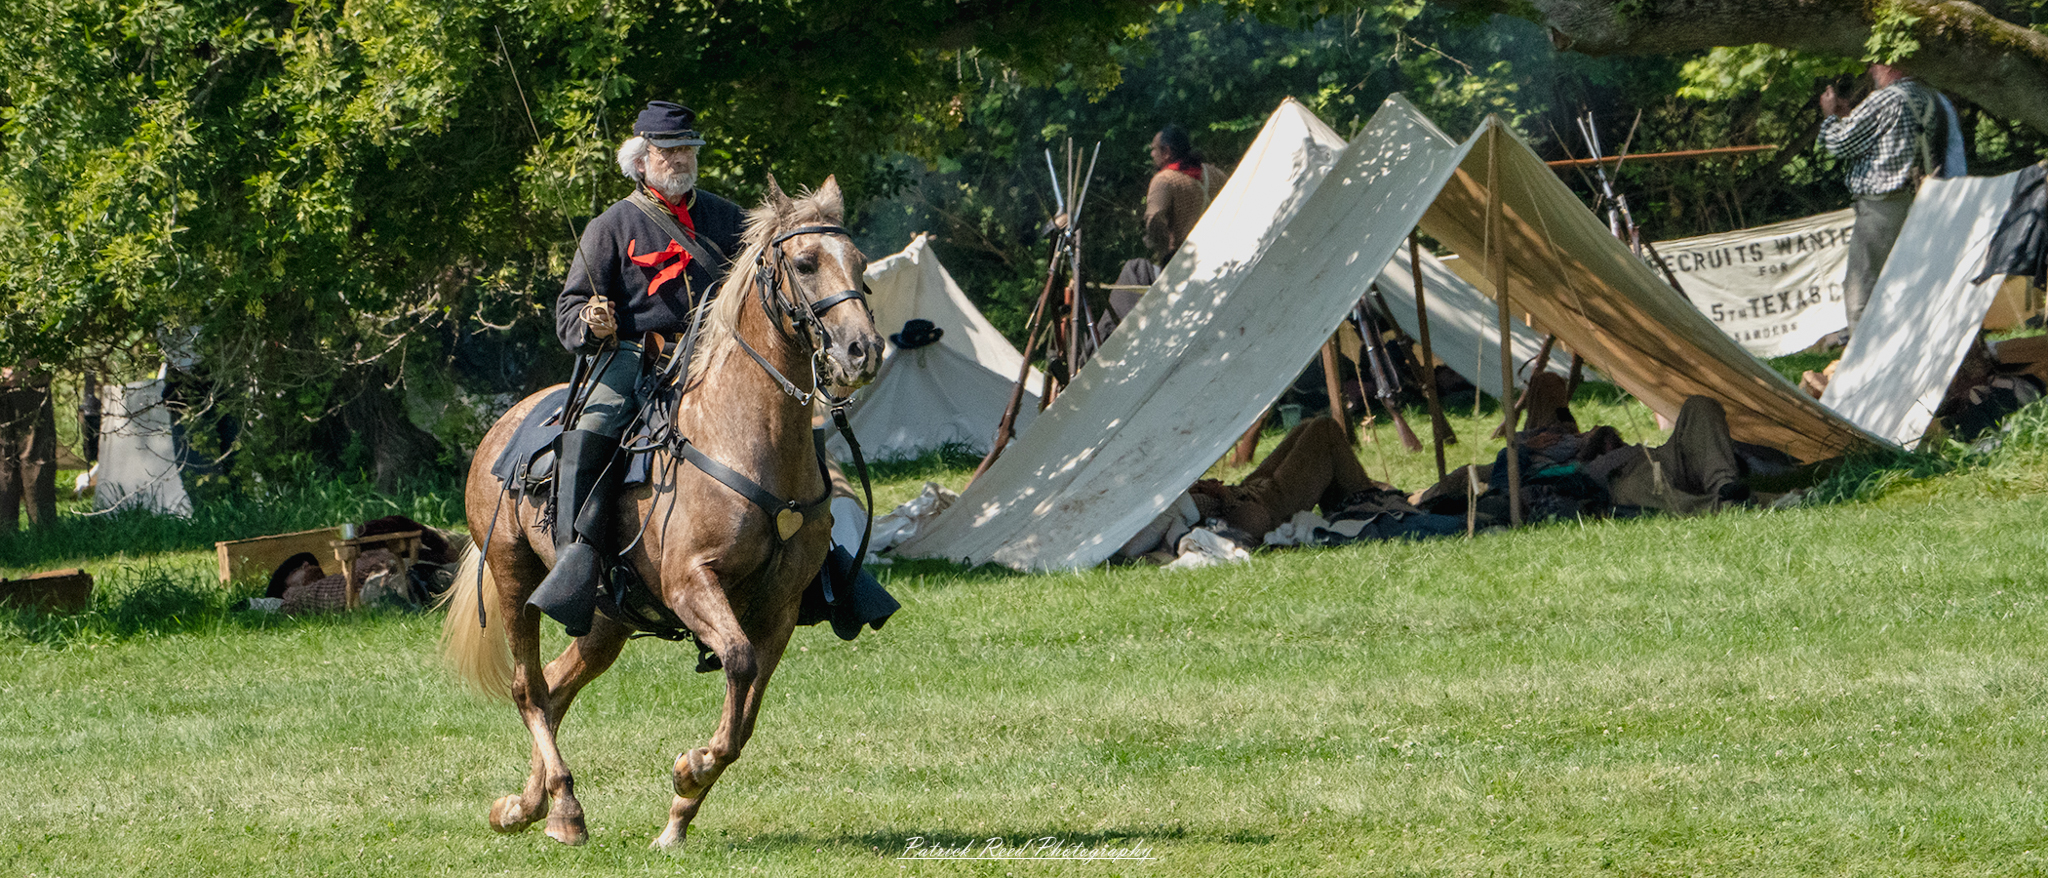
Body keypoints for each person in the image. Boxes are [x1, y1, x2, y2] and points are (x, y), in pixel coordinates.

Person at [530, 100, 747, 637]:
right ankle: (575, 562)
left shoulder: (729, 218)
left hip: (718, 357)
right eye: (666, 151)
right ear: (641, 159)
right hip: (637, 356)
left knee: (787, 424)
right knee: (594, 425)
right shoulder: (611, 225)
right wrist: (593, 319)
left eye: (686, 150)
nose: (678, 159)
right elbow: (568, 313)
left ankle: (824, 560)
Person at [1819, 63, 1950, 337]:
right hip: (1919, 202)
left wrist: (1830, 116)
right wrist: (1849, 117)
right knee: (1909, 282)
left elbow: (1838, 145)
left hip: (1882, 205)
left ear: (1886, 66)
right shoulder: (1927, 95)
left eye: (1873, 65)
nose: (1870, 72)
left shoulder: (1884, 98)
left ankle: (1863, 354)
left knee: (1861, 287)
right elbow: (1879, 137)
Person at [1102, 125, 1232, 336]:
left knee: (1133, 270)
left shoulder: (1164, 180)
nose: (1152, 154)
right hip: (1217, 260)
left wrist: (1164, 249)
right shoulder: (1214, 174)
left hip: (1181, 266)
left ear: (1167, 152)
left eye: (1154, 149)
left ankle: (1107, 340)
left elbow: (1154, 219)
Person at [1187, 416, 1383, 540]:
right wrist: (1222, 496)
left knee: (1306, 425)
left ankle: (1348, 502)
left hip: (1246, 492)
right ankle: (1364, 503)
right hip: (1260, 505)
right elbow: (1237, 525)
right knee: (1325, 428)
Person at [0, 361, 58, 533]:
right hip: (29, 383)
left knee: (4, 464)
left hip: (16, 383)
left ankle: (6, 534)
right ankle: (45, 533)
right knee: (36, 461)